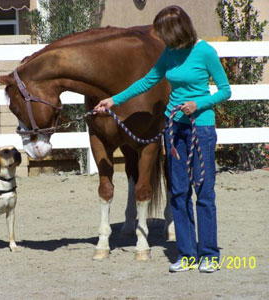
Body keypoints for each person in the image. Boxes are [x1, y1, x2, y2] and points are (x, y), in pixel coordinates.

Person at [95, 5, 231, 273]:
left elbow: (225, 91)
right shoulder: (169, 53)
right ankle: (188, 254)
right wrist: (114, 100)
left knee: (203, 193)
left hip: (200, 127)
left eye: (163, 33)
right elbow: (147, 81)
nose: (160, 39)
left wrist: (199, 104)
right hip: (174, 128)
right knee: (178, 192)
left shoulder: (204, 51)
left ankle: (209, 254)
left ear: (177, 30)